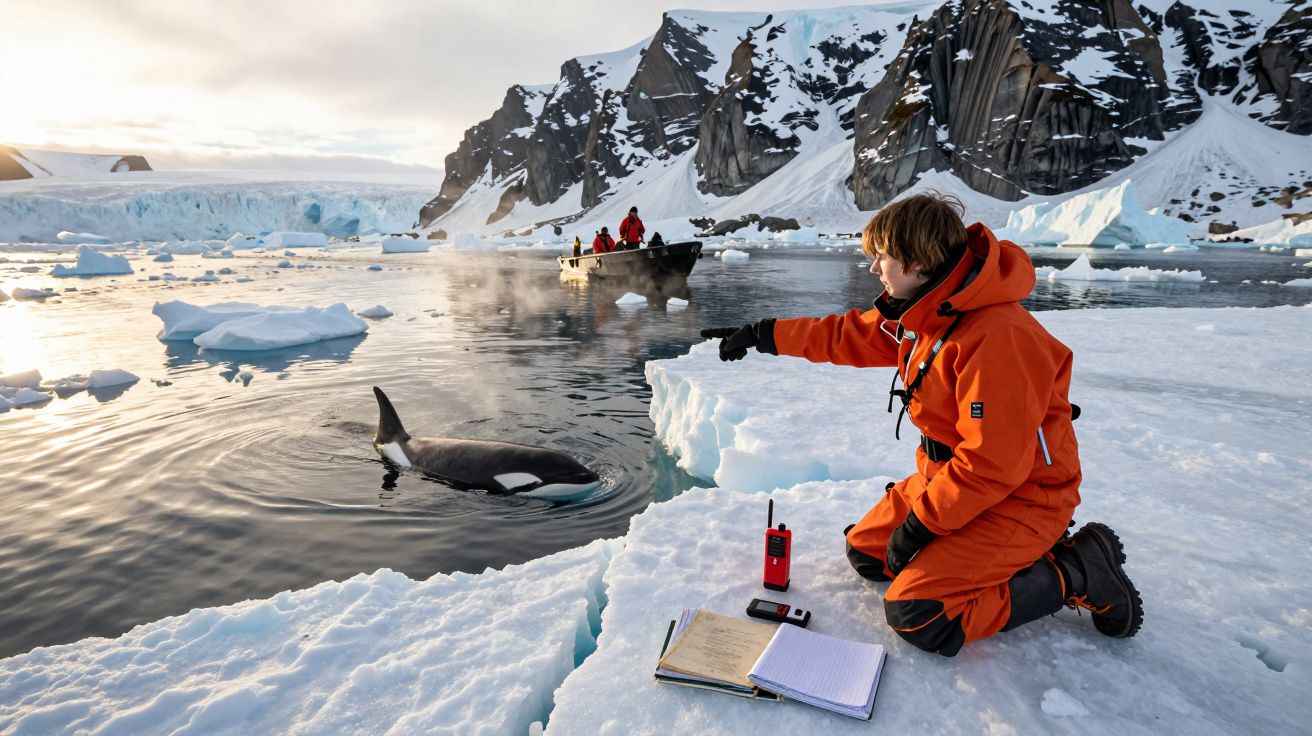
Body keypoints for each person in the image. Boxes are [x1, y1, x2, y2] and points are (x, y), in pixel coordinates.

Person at [700, 192, 1142, 657]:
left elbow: (993, 465)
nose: (874, 269)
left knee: (921, 615)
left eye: (883, 258)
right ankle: (983, 556)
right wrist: (762, 333)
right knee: (868, 554)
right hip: (952, 480)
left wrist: (922, 526)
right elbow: (846, 335)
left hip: (1021, 496)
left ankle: (1076, 570)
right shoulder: (929, 313)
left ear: (918, 262)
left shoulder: (998, 339)